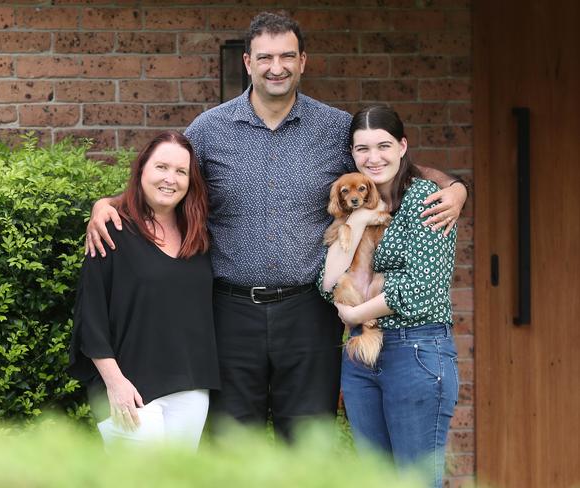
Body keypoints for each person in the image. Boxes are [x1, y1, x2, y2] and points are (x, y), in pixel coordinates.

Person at [85, 12, 467, 439]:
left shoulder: (335, 128)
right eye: (265, 57)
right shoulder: (210, 130)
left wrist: (454, 188)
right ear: (247, 63)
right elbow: (167, 178)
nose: (277, 67)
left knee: (305, 442)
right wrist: (110, 202)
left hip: (308, 312)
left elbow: (386, 166)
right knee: (232, 444)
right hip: (228, 312)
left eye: (287, 56)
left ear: (303, 61)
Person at [320, 105, 458, 487]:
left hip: (417, 352)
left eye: (383, 146)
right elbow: (328, 279)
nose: (373, 157)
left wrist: (354, 314)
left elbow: (422, 284)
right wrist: (360, 219)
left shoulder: (427, 198)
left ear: (402, 146)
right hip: (362, 355)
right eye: (362, 149)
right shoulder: (357, 206)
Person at [68, 131, 220, 449]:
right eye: (161, 167)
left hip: (190, 388)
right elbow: (90, 316)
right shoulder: (111, 230)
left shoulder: (199, 236)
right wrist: (115, 382)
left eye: (181, 172)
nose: (170, 179)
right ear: (142, 170)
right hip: (129, 389)